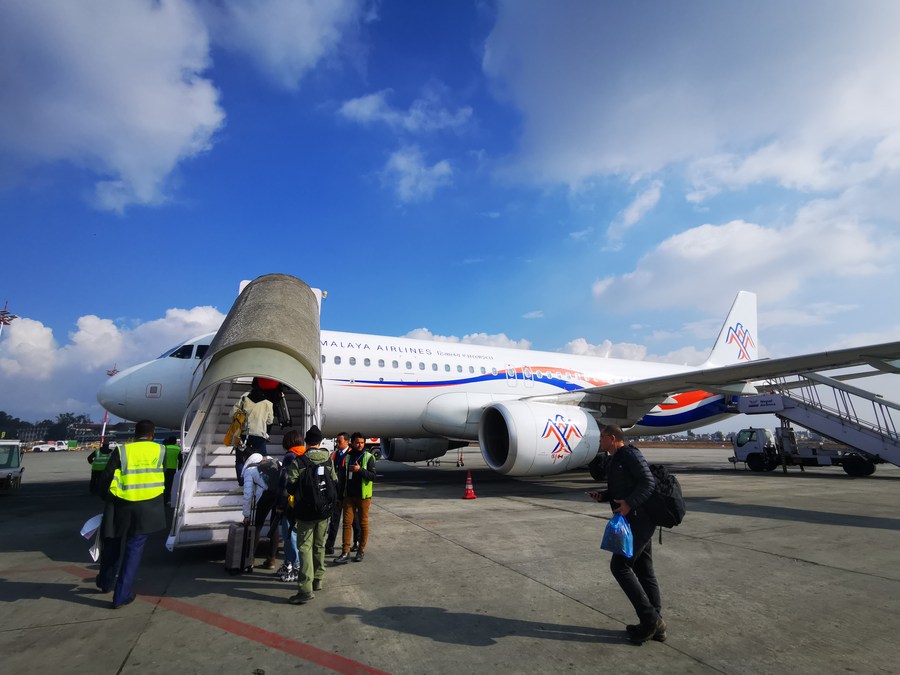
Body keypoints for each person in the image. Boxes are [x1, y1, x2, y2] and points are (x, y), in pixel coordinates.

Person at [588, 425, 665, 644]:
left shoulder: (630, 454)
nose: (599, 441)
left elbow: (648, 482)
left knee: (620, 567)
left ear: (612, 438)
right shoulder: (615, 459)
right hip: (633, 520)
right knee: (644, 569)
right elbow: (620, 490)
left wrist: (629, 504)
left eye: (602, 437)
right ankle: (656, 623)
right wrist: (603, 496)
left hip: (640, 520)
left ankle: (651, 621)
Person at [96, 420, 167, 609]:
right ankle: (121, 596)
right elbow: (163, 475)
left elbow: (105, 480)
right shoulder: (161, 451)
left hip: (119, 505)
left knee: (111, 546)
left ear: (135, 435)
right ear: (152, 434)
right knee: (133, 552)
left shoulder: (122, 451)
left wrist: (106, 498)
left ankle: (105, 582)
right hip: (147, 508)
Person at [286, 425, 336, 604]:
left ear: (307, 442)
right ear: (320, 441)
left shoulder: (298, 462)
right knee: (319, 545)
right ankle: (318, 580)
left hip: (305, 513)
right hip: (324, 511)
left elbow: (290, 486)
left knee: (304, 548)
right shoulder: (328, 460)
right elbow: (334, 481)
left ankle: (305, 589)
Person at [333, 432, 375, 565]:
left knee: (363, 524)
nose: (360, 445)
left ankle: (361, 550)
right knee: (346, 523)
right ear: (352, 443)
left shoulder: (369, 457)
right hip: (349, 496)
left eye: (362, 442)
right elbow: (342, 478)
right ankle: (345, 551)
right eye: (357, 442)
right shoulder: (348, 457)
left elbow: (372, 476)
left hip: (363, 497)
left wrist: (359, 470)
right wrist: (340, 497)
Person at [274, 429, 305, 582]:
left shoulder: (290, 457)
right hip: (303, 502)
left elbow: (285, 483)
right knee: (297, 535)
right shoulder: (305, 454)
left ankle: (295, 565)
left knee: (289, 535)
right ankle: (289, 563)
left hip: (290, 504)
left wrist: (280, 504)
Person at [241, 452, 279, 569]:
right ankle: (271, 559)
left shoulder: (250, 470)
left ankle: (249, 560)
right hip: (279, 495)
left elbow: (248, 494)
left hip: (266, 497)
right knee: (274, 526)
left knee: (257, 525)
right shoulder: (275, 463)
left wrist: (246, 514)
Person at [324, 432, 359, 555]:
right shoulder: (334, 454)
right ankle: (330, 544)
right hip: (336, 493)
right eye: (336, 441)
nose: (337, 443)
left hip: (348, 493)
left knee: (353, 519)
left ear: (347, 442)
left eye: (339, 441)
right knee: (334, 519)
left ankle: (357, 541)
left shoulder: (352, 455)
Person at [162, 436, 182, 504]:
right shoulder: (178, 449)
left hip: (163, 469)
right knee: (170, 485)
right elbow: (180, 461)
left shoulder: (164, 448)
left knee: (164, 484)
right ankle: (168, 500)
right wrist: (179, 469)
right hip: (173, 469)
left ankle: (163, 499)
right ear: (175, 441)